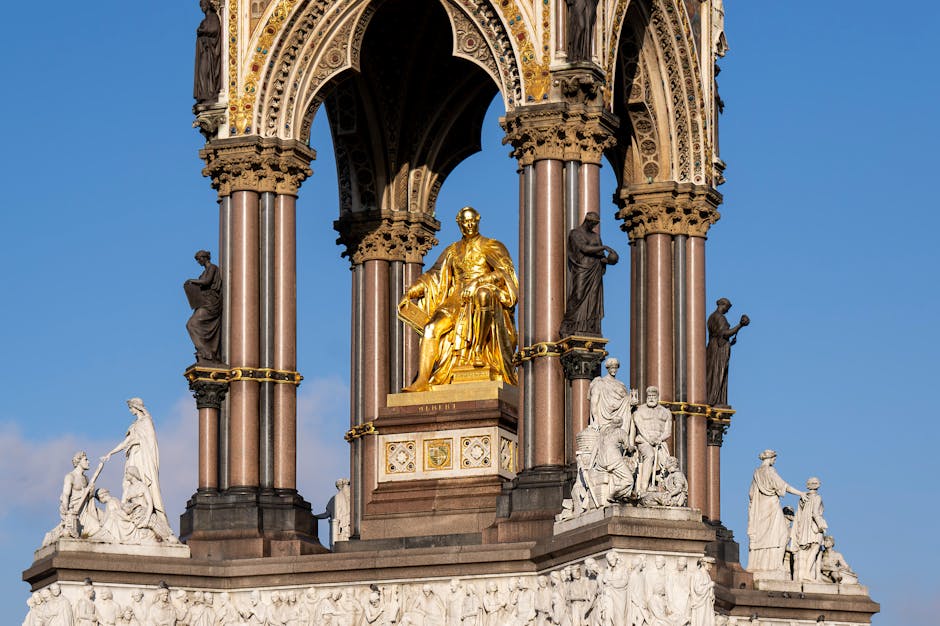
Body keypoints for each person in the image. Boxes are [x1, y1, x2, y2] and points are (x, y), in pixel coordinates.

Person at [399, 207, 518, 392]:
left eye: (472, 221)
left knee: (483, 295)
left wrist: (479, 282)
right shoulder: (453, 250)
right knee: (431, 328)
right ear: (459, 223)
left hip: (482, 295)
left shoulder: (492, 246)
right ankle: (422, 380)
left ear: (478, 220)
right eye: (465, 222)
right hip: (456, 300)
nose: (469, 225)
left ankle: (478, 351)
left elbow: (504, 274)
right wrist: (411, 292)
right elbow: (434, 276)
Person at [102, 398, 175, 544]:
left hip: (143, 458)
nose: (131, 410)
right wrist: (110, 453)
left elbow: (149, 443)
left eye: (131, 407)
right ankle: (128, 515)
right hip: (133, 457)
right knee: (127, 484)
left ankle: (149, 515)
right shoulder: (134, 425)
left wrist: (137, 442)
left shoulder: (146, 422)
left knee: (142, 484)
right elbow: (125, 443)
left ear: (137, 407)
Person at [559, 211, 618, 338]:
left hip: (595, 269)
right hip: (582, 269)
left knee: (593, 298)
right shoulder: (576, 233)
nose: (594, 227)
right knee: (578, 295)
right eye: (594, 224)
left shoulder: (596, 237)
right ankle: (569, 324)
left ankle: (589, 326)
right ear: (588, 221)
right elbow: (584, 249)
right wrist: (604, 247)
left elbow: (602, 258)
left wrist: (610, 259)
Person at [747, 450, 804, 575]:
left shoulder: (756, 473)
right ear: (770, 458)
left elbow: (751, 493)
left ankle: (760, 564)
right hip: (771, 506)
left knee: (762, 534)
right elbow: (784, 486)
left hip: (760, 507)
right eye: (774, 458)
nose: (775, 461)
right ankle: (776, 565)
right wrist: (800, 493)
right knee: (781, 534)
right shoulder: (770, 471)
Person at [705, 298, 749, 408]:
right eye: (727, 308)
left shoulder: (711, 317)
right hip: (718, 351)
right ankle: (714, 399)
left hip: (714, 347)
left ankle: (715, 398)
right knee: (717, 374)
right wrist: (740, 325)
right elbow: (725, 334)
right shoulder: (719, 317)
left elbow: (721, 336)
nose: (727, 311)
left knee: (714, 374)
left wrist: (730, 343)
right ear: (722, 305)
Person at [632, 387, 673, 496]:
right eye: (649, 396)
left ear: (657, 397)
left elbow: (668, 431)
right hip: (644, 441)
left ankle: (663, 487)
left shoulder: (666, 412)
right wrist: (649, 439)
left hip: (660, 442)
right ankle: (644, 487)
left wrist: (660, 439)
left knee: (666, 461)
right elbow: (640, 427)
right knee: (650, 455)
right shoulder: (640, 410)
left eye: (653, 396)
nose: (651, 398)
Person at [184, 249, 223, 363]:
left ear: (205, 258)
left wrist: (192, 281)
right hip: (204, 302)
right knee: (190, 325)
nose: (198, 262)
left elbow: (206, 281)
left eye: (199, 259)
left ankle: (207, 353)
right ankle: (205, 351)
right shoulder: (204, 272)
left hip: (210, 303)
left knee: (192, 324)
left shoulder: (212, 268)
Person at [588, 357, 636, 431]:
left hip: (620, 419)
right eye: (612, 368)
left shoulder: (621, 385)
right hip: (604, 420)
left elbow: (625, 403)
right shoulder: (600, 382)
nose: (614, 370)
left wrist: (631, 402)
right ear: (608, 368)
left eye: (616, 368)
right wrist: (596, 420)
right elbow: (594, 403)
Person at [793, 477, 827, 582]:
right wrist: (821, 525)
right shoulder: (817, 497)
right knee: (815, 549)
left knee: (810, 550)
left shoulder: (804, 497)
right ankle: (807, 573)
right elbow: (815, 513)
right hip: (814, 527)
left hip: (805, 527)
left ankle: (805, 574)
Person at [193, 0, 221, 104]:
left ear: (208, 5)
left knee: (207, 71)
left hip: (210, 52)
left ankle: (209, 93)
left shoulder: (213, 17)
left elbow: (214, 29)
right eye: (201, 6)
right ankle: (204, 93)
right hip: (204, 51)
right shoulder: (204, 20)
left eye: (203, 5)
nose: (202, 8)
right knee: (202, 72)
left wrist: (203, 31)